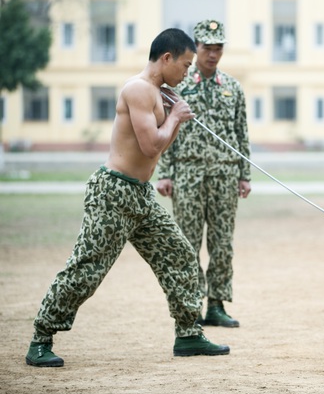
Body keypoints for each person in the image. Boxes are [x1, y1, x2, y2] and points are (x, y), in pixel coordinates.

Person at [26, 28, 230, 368]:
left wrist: (174, 114)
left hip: (139, 194)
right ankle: (41, 338)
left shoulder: (156, 92)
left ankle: (188, 333)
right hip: (112, 192)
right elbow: (151, 145)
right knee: (88, 269)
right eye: (184, 64)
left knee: (179, 253)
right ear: (166, 58)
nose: (186, 72)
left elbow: (156, 148)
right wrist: (177, 115)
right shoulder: (137, 89)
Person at [156, 19, 251, 328]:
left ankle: (217, 305)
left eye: (218, 48)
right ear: (195, 48)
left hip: (225, 174)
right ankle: (191, 306)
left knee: (223, 242)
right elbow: (165, 130)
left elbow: (241, 133)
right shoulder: (178, 87)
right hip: (188, 173)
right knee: (187, 243)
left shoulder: (233, 87)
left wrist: (244, 174)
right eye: (207, 47)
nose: (213, 54)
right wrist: (165, 173)